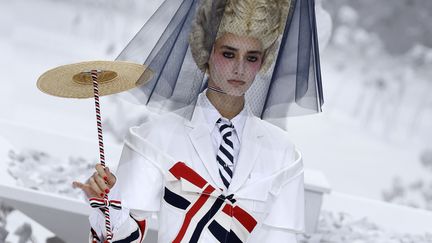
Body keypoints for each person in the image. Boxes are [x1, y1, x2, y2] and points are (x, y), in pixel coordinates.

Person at [73, 0, 305, 242]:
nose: (239, 69)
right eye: (228, 54)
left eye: (251, 57)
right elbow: (123, 238)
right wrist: (103, 206)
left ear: (264, 60)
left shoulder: (283, 153)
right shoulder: (154, 138)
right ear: (206, 51)